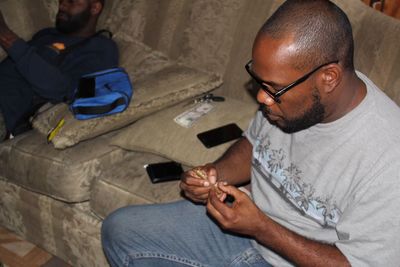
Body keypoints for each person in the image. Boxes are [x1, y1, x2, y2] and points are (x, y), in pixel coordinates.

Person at [101, 0, 400, 266]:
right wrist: (214, 173)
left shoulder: (388, 158)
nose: (260, 98)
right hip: (247, 231)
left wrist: (261, 228)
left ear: (329, 78)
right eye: (258, 80)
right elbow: (254, 144)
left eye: (272, 89)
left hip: (296, 252)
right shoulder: (284, 102)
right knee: (120, 231)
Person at [0, 0, 118, 140]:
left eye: (72, 1)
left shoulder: (101, 48)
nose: (62, 4)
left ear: (95, 7)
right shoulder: (46, 34)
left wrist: (6, 35)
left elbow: (63, 89)